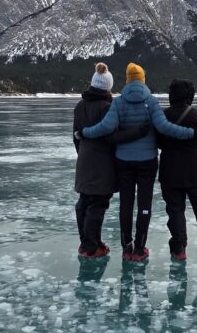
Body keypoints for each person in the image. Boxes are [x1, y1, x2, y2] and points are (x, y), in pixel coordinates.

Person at [78, 63, 197, 261]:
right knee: (144, 205)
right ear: (143, 79)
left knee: (126, 204)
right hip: (147, 161)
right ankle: (139, 248)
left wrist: (85, 132)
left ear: (127, 80)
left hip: (124, 161)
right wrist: (193, 133)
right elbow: (165, 128)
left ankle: (126, 247)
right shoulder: (151, 101)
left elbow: (105, 127)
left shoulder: (118, 103)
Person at [73, 63, 151, 258]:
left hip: (84, 159)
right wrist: (137, 132)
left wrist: (82, 154)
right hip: (102, 163)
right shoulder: (107, 107)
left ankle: (86, 242)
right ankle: (92, 247)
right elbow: (112, 137)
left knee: (84, 201)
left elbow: (75, 136)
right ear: (108, 86)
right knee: (97, 204)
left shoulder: (79, 106)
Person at [156, 79, 197, 260]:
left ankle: (179, 249)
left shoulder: (163, 116)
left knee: (175, 211)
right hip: (195, 172)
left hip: (169, 172)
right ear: (190, 96)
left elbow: (158, 141)